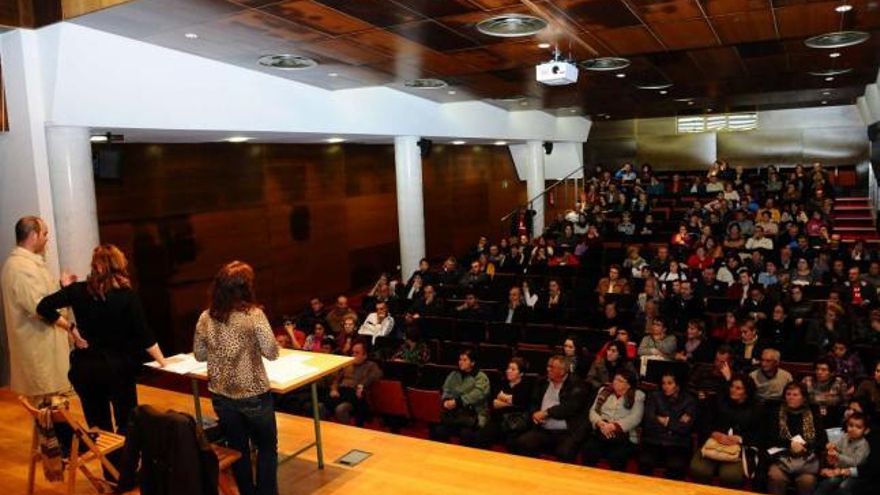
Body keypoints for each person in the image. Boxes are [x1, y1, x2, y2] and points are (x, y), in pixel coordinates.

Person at [36, 244, 167, 436]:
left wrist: (70, 328)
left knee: (99, 427)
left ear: (94, 266)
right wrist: (164, 362)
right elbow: (144, 335)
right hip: (119, 369)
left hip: (86, 369)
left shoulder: (77, 290)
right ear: (119, 266)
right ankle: (125, 466)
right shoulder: (127, 296)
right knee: (127, 424)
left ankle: (109, 465)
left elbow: (43, 307)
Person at [193, 261, 279, 495]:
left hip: (221, 394)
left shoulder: (205, 317)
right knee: (266, 448)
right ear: (246, 288)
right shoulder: (254, 315)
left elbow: (199, 355)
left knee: (237, 449)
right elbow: (271, 352)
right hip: (253, 395)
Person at [0, 216, 73, 402]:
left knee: (50, 415)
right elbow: (40, 308)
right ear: (33, 235)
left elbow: (43, 298)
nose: (47, 238)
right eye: (45, 233)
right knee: (47, 415)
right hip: (38, 352)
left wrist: (62, 288)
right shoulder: (19, 267)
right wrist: (71, 328)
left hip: (44, 349)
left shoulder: (29, 264)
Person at [510, 355, 588, 462]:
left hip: (566, 432)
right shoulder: (542, 382)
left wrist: (547, 413)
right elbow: (534, 402)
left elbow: (569, 407)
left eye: (552, 367)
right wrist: (535, 414)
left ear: (562, 371)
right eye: (548, 366)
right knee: (522, 443)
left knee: (565, 452)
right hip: (543, 430)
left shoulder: (576, 384)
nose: (548, 369)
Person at [690, 375, 763, 489]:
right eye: (732, 386)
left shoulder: (756, 409)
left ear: (747, 392)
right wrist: (713, 433)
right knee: (699, 470)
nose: (733, 390)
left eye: (738, 388)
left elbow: (758, 434)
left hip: (738, 448)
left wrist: (739, 439)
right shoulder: (717, 401)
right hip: (713, 444)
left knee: (730, 476)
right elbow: (704, 423)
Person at [764, 382, 828, 495]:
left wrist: (805, 447)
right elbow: (769, 437)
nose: (791, 398)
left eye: (795, 395)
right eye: (788, 394)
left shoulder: (813, 412)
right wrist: (790, 444)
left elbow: (822, 440)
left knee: (807, 481)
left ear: (803, 398)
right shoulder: (776, 412)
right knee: (775, 476)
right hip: (782, 458)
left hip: (806, 460)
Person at [581, 369, 646, 471]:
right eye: (615, 379)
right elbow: (593, 411)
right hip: (602, 431)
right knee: (589, 449)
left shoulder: (637, 395)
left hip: (624, 436)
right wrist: (600, 423)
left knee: (617, 456)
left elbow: (635, 418)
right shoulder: (604, 391)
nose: (615, 382)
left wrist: (614, 426)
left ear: (628, 385)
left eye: (620, 381)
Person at [639, 371, 697, 479]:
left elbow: (685, 428)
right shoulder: (654, 397)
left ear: (678, 385)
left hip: (677, 443)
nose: (665, 386)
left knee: (676, 466)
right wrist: (674, 424)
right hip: (654, 440)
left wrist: (665, 421)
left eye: (669, 383)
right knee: (644, 461)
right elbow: (648, 421)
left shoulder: (689, 401)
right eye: (663, 383)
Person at [431, 348, 490, 445]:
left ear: (473, 362)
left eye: (465, 360)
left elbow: (478, 394)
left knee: (466, 434)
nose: (461, 362)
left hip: (473, 416)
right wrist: (446, 401)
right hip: (455, 414)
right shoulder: (454, 374)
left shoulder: (481, 377)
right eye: (460, 359)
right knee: (437, 430)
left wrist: (458, 402)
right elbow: (446, 389)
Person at [474, 357, 534, 449]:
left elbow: (522, 403)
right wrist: (511, 402)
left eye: (513, 369)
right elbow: (493, 403)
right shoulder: (501, 383)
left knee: (513, 442)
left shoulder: (526, 386)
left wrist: (503, 398)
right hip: (498, 420)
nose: (508, 371)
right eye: (508, 368)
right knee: (481, 436)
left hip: (515, 422)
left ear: (521, 373)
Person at [325, 341, 382, 426]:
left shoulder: (371, 365)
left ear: (364, 355)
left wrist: (362, 384)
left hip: (355, 396)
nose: (353, 355)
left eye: (357, 353)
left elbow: (377, 375)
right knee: (321, 405)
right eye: (352, 353)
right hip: (341, 393)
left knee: (341, 409)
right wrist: (334, 389)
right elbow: (336, 380)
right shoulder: (347, 365)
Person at [815, 412, 872, 495]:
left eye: (858, 427)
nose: (853, 429)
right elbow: (837, 446)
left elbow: (856, 462)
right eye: (850, 425)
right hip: (840, 470)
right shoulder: (845, 436)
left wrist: (837, 455)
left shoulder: (863, 444)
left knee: (844, 487)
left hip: (854, 475)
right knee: (827, 483)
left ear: (865, 430)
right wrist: (832, 447)